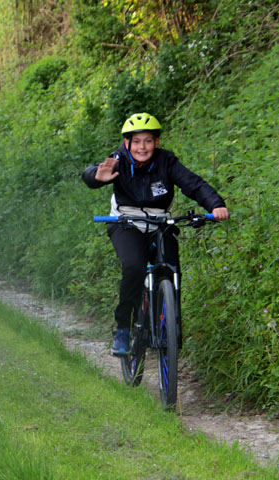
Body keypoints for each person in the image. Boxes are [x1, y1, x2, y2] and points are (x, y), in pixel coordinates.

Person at [82, 113, 229, 355]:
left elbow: (193, 183)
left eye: (148, 141)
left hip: (161, 222)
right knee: (133, 267)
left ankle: (170, 330)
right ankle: (123, 329)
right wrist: (96, 177)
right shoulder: (118, 159)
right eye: (137, 141)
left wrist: (215, 205)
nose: (142, 147)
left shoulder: (167, 161)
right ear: (127, 143)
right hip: (126, 222)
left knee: (171, 271)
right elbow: (93, 173)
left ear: (157, 143)